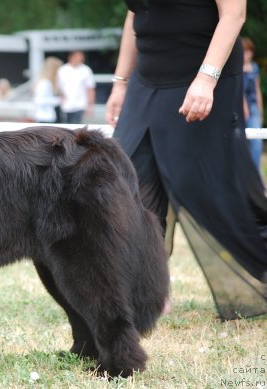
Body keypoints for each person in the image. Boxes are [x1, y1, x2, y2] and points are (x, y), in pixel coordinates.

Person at [106, 0, 267, 320]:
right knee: (129, 180)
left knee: (208, 192)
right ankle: (146, 293)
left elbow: (234, 14)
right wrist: (120, 83)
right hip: (146, 79)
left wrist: (207, 80)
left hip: (202, 74)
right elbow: (136, 13)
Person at [242, 37, 264, 172]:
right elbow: (239, 89)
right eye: (245, 51)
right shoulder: (236, 67)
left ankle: (255, 174)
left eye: (249, 51)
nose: (247, 54)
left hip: (253, 107)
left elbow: (257, 89)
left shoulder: (255, 67)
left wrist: (260, 110)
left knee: (257, 140)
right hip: (240, 108)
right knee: (242, 142)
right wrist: (244, 107)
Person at [57, 50, 95, 124]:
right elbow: (59, 87)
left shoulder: (86, 70)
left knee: (76, 126)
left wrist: (90, 105)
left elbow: (90, 88)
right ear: (71, 57)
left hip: (80, 105)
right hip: (66, 105)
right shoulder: (62, 70)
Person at [33, 56, 63, 124]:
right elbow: (40, 100)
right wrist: (58, 100)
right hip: (45, 117)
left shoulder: (46, 82)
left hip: (46, 117)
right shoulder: (45, 83)